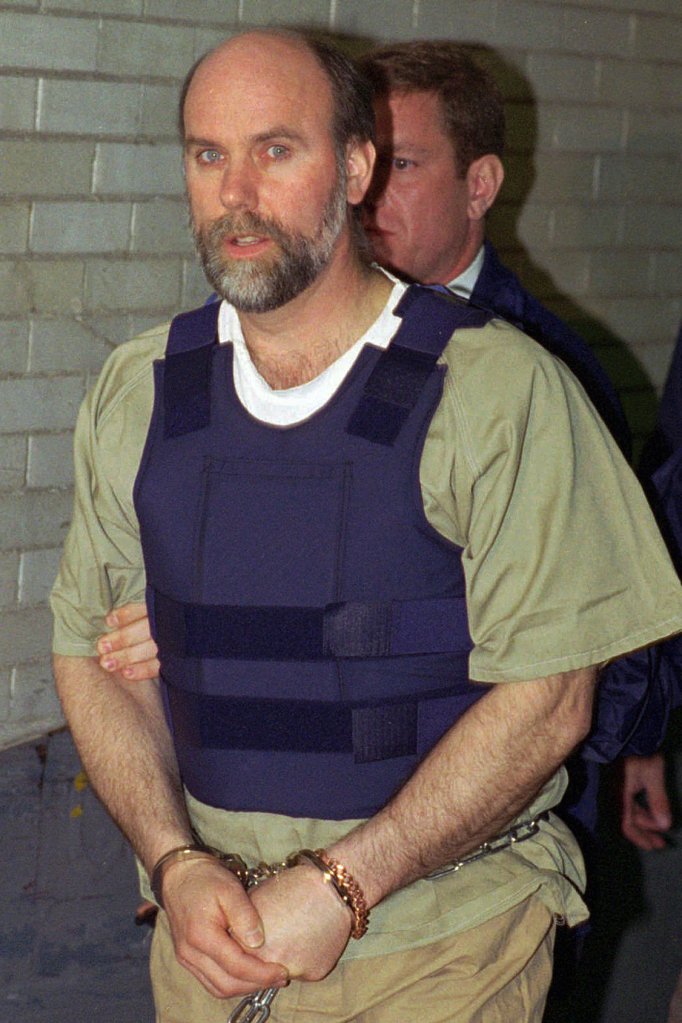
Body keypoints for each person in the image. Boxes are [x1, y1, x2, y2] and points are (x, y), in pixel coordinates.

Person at [51, 29, 682, 1023]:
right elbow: (91, 657)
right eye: (208, 155)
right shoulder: (141, 392)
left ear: (355, 168)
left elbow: (554, 697)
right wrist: (172, 861)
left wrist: (342, 884)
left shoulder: (495, 391)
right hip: (210, 940)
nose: (236, 193)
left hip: (439, 942)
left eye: (276, 150)